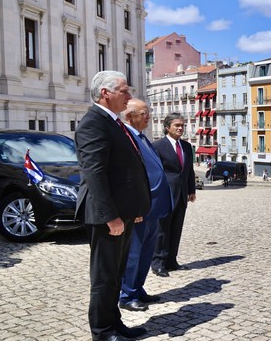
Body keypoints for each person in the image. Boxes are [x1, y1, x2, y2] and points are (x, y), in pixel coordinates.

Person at [75, 70, 150, 340]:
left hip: (122, 212)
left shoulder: (113, 122)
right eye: (124, 91)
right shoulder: (93, 123)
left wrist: (134, 210)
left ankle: (114, 324)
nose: (129, 96)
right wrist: (111, 217)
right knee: (104, 277)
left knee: (116, 274)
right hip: (107, 216)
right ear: (105, 93)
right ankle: (102, 331)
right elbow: (94, 173)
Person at [119, 100, 173, 312]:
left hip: (152, 207)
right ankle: (127, 295)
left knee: (146, 253)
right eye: (144, 113)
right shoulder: (127, 138)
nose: (148, 116)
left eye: (148, 112)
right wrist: (133, 206)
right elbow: (127, 176)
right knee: (134, 254)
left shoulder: (141, 137)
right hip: (139, 209)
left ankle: (137, 288)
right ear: (130, 116)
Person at [151, 113, 196, 278]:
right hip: (165, 195)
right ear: (167, 127)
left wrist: (191, 190)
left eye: (182, 125)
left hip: (182, 195)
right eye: (177, 125)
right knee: (162, 230)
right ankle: (158, 263)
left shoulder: (186, 146)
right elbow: (154, 172)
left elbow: (189, 170)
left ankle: (171, 261)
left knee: (176, 229)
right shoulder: (157, 146)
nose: (180, 128)